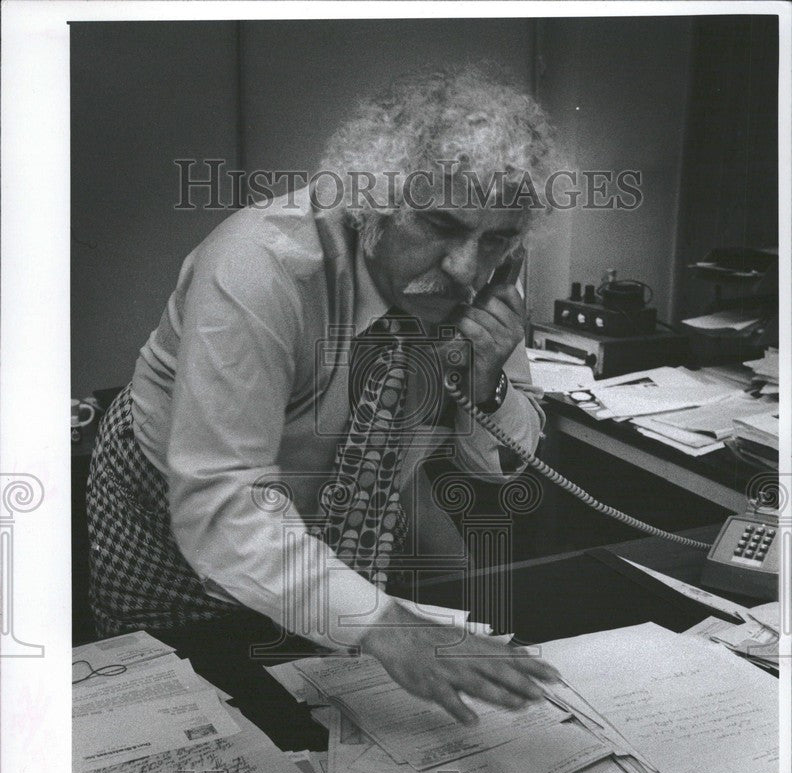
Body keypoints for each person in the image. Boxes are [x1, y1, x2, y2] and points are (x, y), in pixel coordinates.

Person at [86, 65, 560, 724]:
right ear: (373, 202)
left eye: (497, 239)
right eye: (440, 226)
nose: (465, 269)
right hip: (177, 502)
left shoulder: (487, 274)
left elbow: (501, 462)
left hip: (329, 517)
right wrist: (386, 625)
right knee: (182, 709)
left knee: (322, 697)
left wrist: (485, 375)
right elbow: (226, 504)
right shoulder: (258, 266)